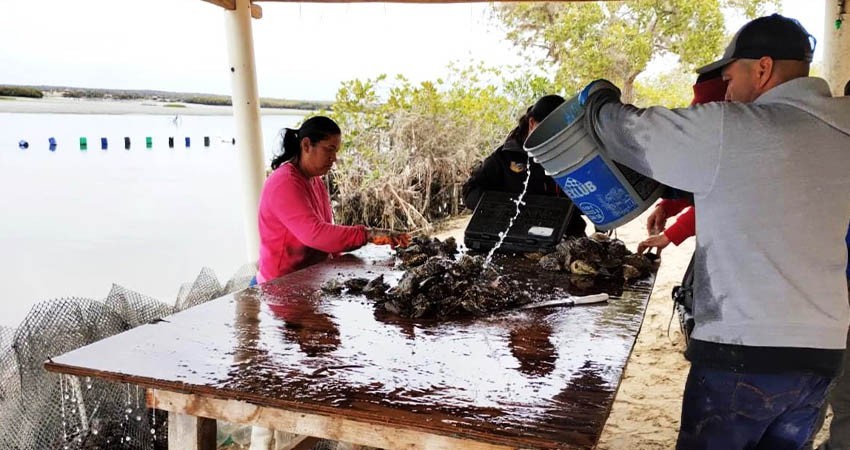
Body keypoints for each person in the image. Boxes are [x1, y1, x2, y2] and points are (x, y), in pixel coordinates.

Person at [581, 14, 850, 449]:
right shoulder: (841, 130)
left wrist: (596, 100)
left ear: (762, 69)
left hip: (743, 353)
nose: (726, 91)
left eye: (729, 77)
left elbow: (629, 131)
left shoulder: (740, 128)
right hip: (821, 354)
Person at [252, 116, 409, 287]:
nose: (334, 158)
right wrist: (368, 234)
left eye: (336, 152)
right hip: (276, 285)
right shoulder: (284, 182)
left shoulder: (315, 180)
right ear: (306, 145)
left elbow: (326, 234)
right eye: (329, 149)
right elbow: (315, 235)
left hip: (308, 279)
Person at [462, 95, 587, 237]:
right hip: (517, 238)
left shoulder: (575, 155)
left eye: (561, 131)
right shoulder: (504, 157)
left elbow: (587, 200)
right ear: (532, 123)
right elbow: (469, 191)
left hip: (567, 237)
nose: (555, 138)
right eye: (550, 131)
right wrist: (504, 209)